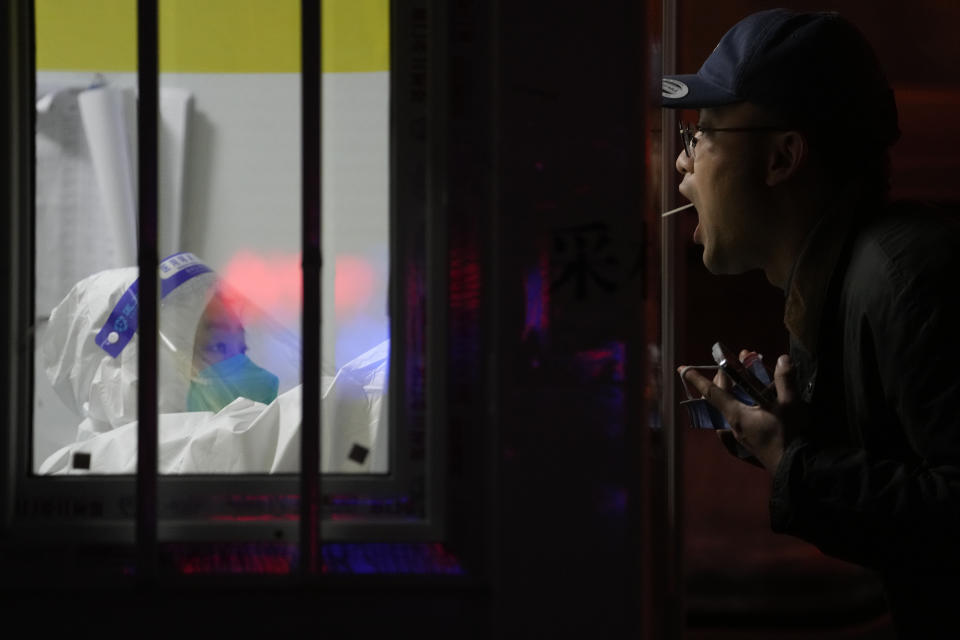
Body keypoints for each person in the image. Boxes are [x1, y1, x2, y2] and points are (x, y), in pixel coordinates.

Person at [664, 8, 960, 636]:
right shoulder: (840, 281)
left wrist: (794, 462)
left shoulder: (910, 283)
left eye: (702, 134)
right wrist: (792, 433)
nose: (682, 167)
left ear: (782, 157)